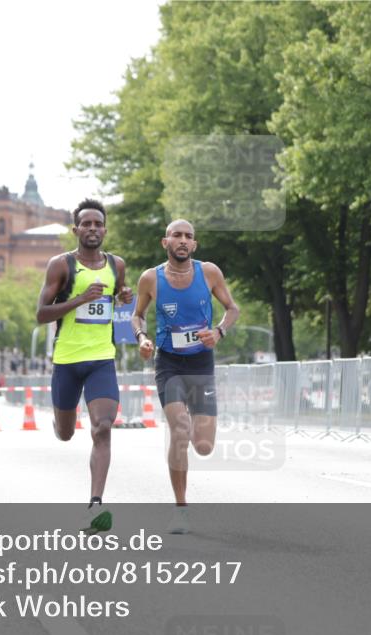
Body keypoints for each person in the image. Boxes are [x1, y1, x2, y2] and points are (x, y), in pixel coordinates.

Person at [131, 219, 240, 534]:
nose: (182, 240)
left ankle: (195, 427)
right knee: (179, 430)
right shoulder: (151, 278)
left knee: (204, 445)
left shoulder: (209, 273)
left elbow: (232, 309)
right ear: (165, 242)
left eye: (188, 236)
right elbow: (137, 315)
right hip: (169, 364)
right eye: (176, 235)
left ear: (194, 245)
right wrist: (142, 338)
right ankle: (180, 509)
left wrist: (219, 331)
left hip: (201, 363)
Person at [36, 198, 133, 533]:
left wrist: (124, 297)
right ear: (76, 229)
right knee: (65, 434)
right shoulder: (61, 265)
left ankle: (95, 505)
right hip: (67, 361)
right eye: (86, 224)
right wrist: (79, 299)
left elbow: (119, 295)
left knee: (102, 427)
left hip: (101, 360)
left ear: (105, 229)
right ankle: (61, 420)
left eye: (98, 224)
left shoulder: (116, 265)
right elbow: (40, 314)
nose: (93, 229)